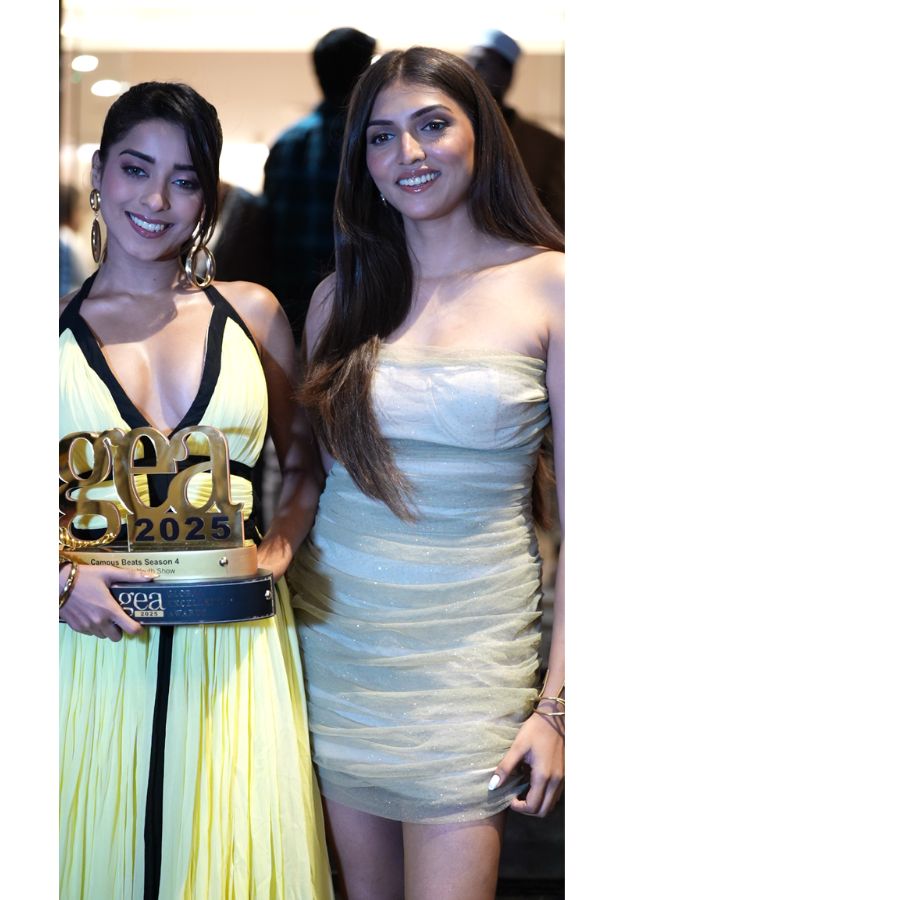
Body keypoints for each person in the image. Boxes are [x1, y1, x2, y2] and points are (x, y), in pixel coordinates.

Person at [288, 47, 565, 900]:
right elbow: (320, 482)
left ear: (482, 135)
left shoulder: (553, 286)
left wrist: (560, 707)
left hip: (472, 663)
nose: (407, 153)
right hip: (339, 650)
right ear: (362, 162)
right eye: (381, 136)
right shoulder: (339, 299)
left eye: (432, 125)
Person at [58, 81, 332, 900]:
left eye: (184, 180)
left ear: (209, 195)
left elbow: (304, 464)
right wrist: (58, 581)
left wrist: (279, 547)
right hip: (90, 647)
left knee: (228, 860)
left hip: (233, 651)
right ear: (99, 172)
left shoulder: (252, 314)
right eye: (136, 169)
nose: (156, 200)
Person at [262, 26, 376, 347]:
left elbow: (268, 228)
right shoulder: (371, 141)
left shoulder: (287, 141)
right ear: (362, 72)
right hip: (356, 304)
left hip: (286, 303)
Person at [466, 29, 565, 232]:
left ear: (507, 75)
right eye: (470, 62)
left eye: (482, 63)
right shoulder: (450, 133)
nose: (473, 70)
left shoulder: (548, 148)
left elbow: (557, 223)